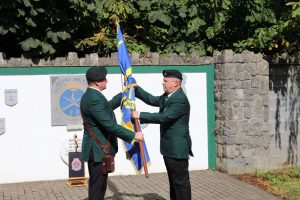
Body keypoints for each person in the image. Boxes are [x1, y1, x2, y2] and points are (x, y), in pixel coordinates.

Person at [80, 66, 143, 200]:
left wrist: (123, 95)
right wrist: (133, 135)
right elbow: (110, 125)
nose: (107, 81)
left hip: (97, 149)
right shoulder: (94, 98)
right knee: (98, 187)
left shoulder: (91, 95)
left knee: (98, 185)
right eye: (104, 79)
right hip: (98, 150)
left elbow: (106, 107)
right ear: (97, 82)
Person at [132, 69, 193, 200]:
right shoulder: (168, 96)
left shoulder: (180, 100)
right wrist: (135, 89)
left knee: (181, 183)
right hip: (169, 148)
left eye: (166, 81)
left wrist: (140, 115)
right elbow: (152, 99)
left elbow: (164, 117)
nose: (163, 83)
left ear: (176, 83)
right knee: (173, 182)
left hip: (177, 149)